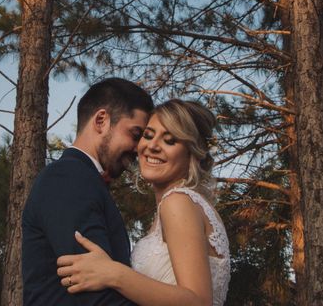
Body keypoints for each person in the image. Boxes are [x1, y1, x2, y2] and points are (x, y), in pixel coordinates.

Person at [56, 99, 231, 306]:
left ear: (191, 152)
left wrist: (114, 273)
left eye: (170, 140)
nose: (152, 146)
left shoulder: (178, 202)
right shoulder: (192, 204)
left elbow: (198, 302)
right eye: (147, 136)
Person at [21, 77, 153, 305]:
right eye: (135, 134)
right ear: (101, 120)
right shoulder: (68, 178)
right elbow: (96, 296)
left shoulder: (81, 179)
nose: (139, 149)